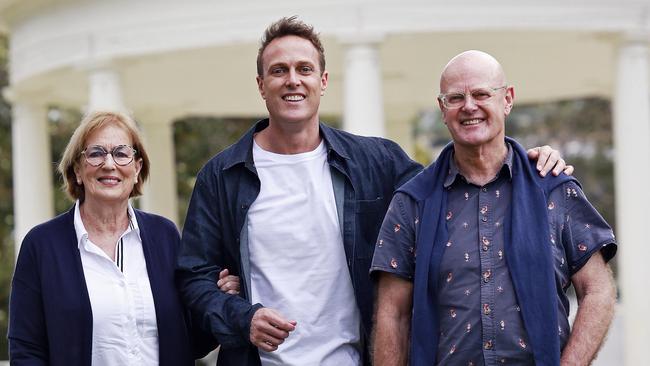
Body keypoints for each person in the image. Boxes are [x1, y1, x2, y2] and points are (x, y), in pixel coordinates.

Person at [176, 17, 572, 366]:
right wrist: (241, 317)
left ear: (323, 81)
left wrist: (521, 160)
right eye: (279, 71)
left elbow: (458, 183)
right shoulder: (222, 175)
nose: (292, 80)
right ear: (262, 86)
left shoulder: (376, 162)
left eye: (304, 69)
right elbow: (193, 278)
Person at [370, 50, 617, 366]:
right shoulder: (412, 203)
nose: (469, 106)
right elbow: (393, 314)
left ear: (507, 100)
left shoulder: (553, 189)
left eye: (481, 94)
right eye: (456, 97)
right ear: (442, 109)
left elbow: (598, 290)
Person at [8, 111, 216, 365]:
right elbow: (26, 349)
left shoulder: (165, 236)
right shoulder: (41, 245)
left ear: (137, 168)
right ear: (77, 170)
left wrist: (215, 298)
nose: (109, 164)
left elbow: (191, 339)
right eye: (95, 153)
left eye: (121, 153)